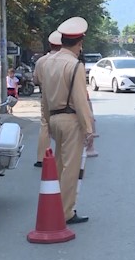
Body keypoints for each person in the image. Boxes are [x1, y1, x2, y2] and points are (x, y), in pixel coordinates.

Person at [40, 17, 94, 225]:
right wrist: (88, 128)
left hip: (54, 118)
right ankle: (65, 213)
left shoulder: (48, 62)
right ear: (79, 43)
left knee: (59, 167)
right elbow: (80, 101)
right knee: (70, 170)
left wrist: (47, 121)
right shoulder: (74, 66)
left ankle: (54, 206)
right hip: (71, 121)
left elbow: (44, 96)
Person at [32, 30, 61, 167]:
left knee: (45, 125)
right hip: (64, 99)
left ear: (50, 45)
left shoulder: (41, 61)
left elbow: (35, 80)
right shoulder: (68, 61)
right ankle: (62, 159)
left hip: (46, 97)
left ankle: (41, 158)